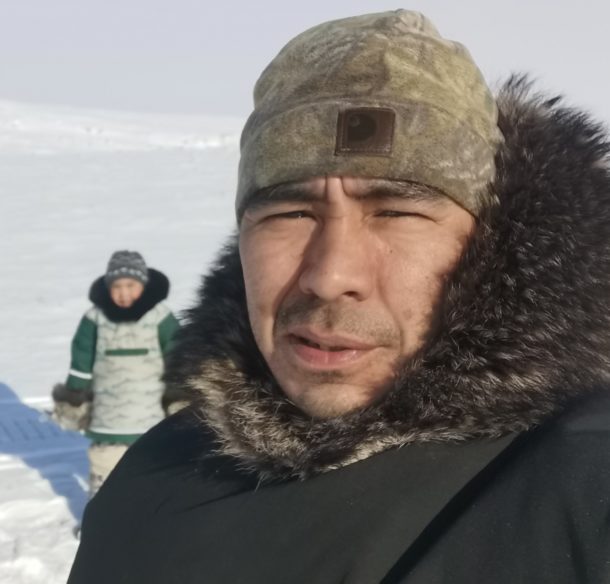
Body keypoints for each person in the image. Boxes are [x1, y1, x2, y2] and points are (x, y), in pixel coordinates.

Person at [68, 11, 610, 583]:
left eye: (396, 212)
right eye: (290, 212)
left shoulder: (580, 490)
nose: (329, 276)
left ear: (488, 244)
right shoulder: (149, 483)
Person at [52, 250, 182, 497]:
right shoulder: (95, 318)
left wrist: (179, 395)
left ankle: (150, 518)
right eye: (117, 286)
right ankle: (99, 523)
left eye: (130, 285)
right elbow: (81, 359)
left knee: (153, 466)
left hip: (151, 415)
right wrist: (74, 396)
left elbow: (177, 356)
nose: (123, 293)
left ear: (143, 284)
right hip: (107, 415)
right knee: (105, 467)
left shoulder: (160, 317)